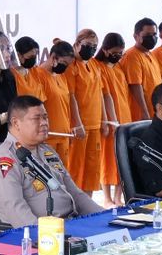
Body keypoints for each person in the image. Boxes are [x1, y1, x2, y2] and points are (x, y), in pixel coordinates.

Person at [0, 95, 101, 227]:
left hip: (71, 223)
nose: (44, 123)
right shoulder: (4, 160)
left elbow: (75, 194)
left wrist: (106, 217)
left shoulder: (47, 151)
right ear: (16, 123)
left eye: (45, 117)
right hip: (43, 233)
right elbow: (15, 212)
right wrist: (51, 234)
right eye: (36, 118)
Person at [16, 37, 82, 172]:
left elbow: (66, 103)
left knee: (62, 176)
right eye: (64, 63)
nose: (65, 67)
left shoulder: (61, 76)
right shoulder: (38, 74)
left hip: (63, 135)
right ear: (53, 57)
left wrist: (71, 125)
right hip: (48, 136)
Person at [66, 29, 107, 191]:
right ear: (77, 44)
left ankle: (88, 202)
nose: (91, 49)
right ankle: (74, 203)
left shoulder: (95, 64)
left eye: (95, 46)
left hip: (95, 123)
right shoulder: (71, 66)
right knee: (76, 168)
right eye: (88, 45)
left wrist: (104, 120)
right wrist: (77, 123)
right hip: (80, 126)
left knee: (92, 169)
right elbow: (71, 96)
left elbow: (100, 93)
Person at [94, 32, 132, 202]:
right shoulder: (98, 67)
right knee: (107, 159)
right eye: (114, 52)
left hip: (124, 117)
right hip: (109, 120)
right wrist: (109, 119)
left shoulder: (119, 68)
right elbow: (104, 96)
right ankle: (107, 198)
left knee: (122, 158)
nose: (118, 56)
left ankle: (118, 197)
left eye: (120, 52)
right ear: (105, 50)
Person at [120, 18, 162, 119]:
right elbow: (135, 86)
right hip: (140, 115)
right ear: (136, 36)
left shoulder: (150, 54)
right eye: (147, 35)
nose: (152, 38)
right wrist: (144, 111)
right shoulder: (132, 56)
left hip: (155, 111)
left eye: (154, 34)